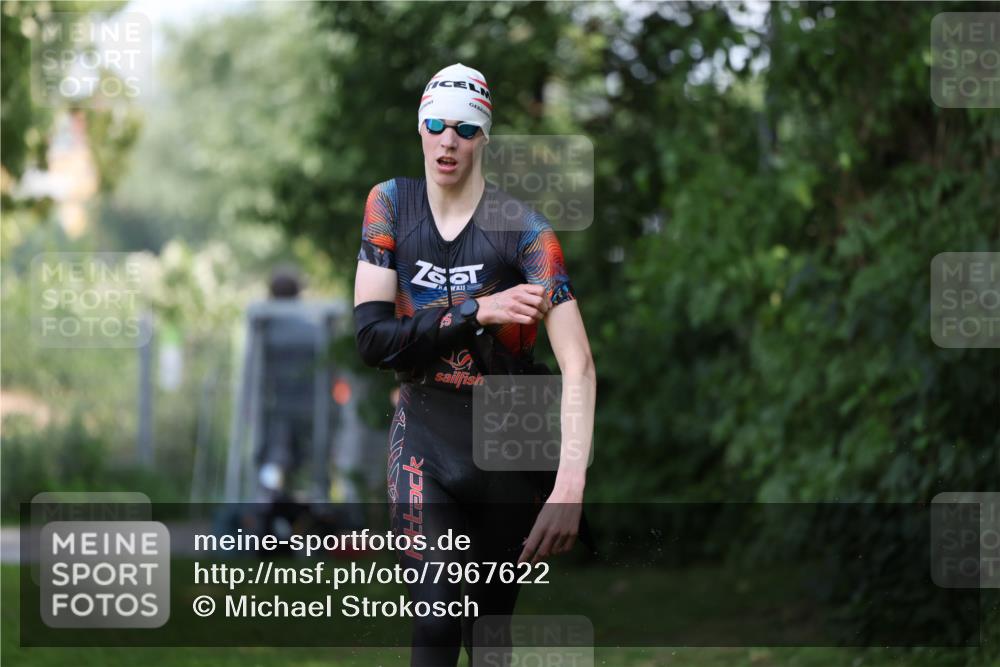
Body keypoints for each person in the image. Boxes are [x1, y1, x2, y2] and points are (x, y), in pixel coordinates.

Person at [354, 63, 596, 666]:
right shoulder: (391, 205)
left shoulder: (526, 232)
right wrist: (476, 311)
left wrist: (569, 485)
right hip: (426, 434)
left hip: (511, 438)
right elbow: (373, 341)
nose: (448, 141)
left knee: (488, 637)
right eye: (436, 125)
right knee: (437, 615)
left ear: (483, 136)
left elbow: (579, 364)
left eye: (464, 129)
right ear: (420, 128)